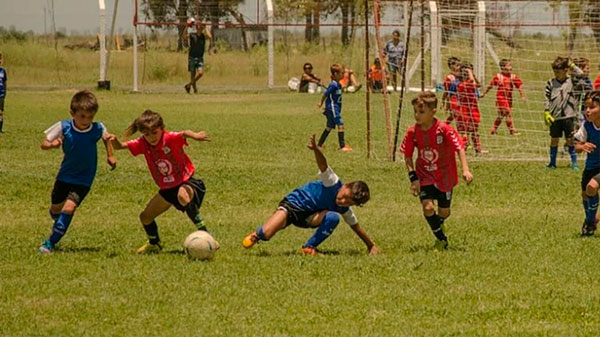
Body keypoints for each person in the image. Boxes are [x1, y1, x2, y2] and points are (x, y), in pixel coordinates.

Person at [242, 134, 380, 255]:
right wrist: (316, 150)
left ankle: (308, 247)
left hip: (309, 217)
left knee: (333, 217)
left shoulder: (344, 209)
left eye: (349, 202)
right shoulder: (333, 182)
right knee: (266, 234)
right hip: (293, 206)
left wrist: (371, 245)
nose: (343, 201)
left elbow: (356, 227)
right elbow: (323, 165)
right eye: (344, 196)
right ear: (346, 185)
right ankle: (257, 235)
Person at [109, 109, 214, 254]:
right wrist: (113, 140)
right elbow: (120, 146)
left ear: (162, 129)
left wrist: (195, 135)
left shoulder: (169, 138)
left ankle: (208, 236)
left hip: (186, 181)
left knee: (182, 196)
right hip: (167, 189)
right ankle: (154, 243)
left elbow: (184, 133)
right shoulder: (143, 143)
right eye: (146, 134)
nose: (151, 137)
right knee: (145, 217)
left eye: (154, 132)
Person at [38, 90, 116, 254]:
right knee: (56, 208)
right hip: (65, 176)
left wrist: (110, 156)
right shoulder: (63, 126)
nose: (86, 120)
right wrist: (52, 145)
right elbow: (44, 143)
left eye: (90, 117)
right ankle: (56, 219)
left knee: (69, 208)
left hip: (84, 179)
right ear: (72, 113)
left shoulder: (97, 128)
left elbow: (106, 138)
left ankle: (49, 243)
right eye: (82, 116)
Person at [399, 91, 473, 250]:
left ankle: (438, 224)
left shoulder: (444, 129)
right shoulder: (412, 132)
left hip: (445, 176)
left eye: (421, 112)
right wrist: (414, 179)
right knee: (428, 207)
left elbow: (459, 148)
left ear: (433, 111)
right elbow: (407, 156)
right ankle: (441, 240)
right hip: (425, 175)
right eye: (415, 112)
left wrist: (465, 170)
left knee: (444, 212)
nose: (417, 116)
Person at [543, 56, 587, 170]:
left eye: (558, 72)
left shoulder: (571, 80)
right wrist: (547, 111)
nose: (556, 74)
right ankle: (552, 163)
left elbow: (582, 74)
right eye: (555, 72)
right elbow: (547, 98)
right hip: (555, 117)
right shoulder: (551, 83)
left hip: (569, 116)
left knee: (570, 140)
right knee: (554, 140)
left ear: (565, 71)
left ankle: (574, 163)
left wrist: (571, 64)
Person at [574, 91, 600, 236]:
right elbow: (576, 147)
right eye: (586, 107)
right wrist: (582, 147)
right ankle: (591, 220)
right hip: (591, 167)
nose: (588, 111)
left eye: (592, 107)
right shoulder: (586, 126)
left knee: (591, 187)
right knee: (585, 195)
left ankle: (589, 223)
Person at [480, 59, 526, 136]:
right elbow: (490, 85)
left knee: (501, 116)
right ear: (503, 67)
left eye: (511, 65)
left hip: (509, 99)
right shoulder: (498, 77)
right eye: (509, 65)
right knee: (508, 113)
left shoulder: (513, 77)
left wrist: (522, 96)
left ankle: (493, 130)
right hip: (501, 98)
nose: (511, 67)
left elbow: (519, 86)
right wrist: (484, 93)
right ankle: (512, 131)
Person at [317, 63, 352, 151]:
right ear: (336, 74)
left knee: (329, 127)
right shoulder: (333, 85)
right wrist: (321, 103)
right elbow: (326, 94)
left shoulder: (338, 84)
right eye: (342, 73)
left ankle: (319, 145)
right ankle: (342, 146)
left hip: (334, 108)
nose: (343, 75)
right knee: (340, 125)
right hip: (333, 108)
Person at [456, 62, 483, 154]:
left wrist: (473, 74)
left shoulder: (464, 84)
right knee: (465, 131)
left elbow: (478, 85)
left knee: (474, 130)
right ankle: (463, 147)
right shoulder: (462, 85)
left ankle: (477, 149)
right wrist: (470, 73)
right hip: (466, 110)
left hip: (472, 109)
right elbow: (473, 82)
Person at [184, 18, 211, 94]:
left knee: (200, 73)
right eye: (198, 26)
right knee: (192, 75)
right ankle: (194, 90)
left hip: (200, 57)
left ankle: (188, 85)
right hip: (192, 56)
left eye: (201, 26)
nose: (199, 27)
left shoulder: (203, 36)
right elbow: (184, 36)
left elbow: (210, 36)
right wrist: (187, 27)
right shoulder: (192, 35)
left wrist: (205, 27)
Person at [442, 57, 461, 126]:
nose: (459, 67)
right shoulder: (449, 77)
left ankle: (444, 125)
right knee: (456, 114)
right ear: (451, 66)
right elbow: (446, 91)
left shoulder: (462, 76)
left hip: (461, 99)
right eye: (457, 65)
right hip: (453, 99)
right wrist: (443, 101)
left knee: (454, 115)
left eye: (460, 65)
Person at [0, 52, 6, 133]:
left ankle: (0, 129)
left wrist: (5, 92)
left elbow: (4, 83)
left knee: (0, 112)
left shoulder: (3, 71)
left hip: (1, 94)